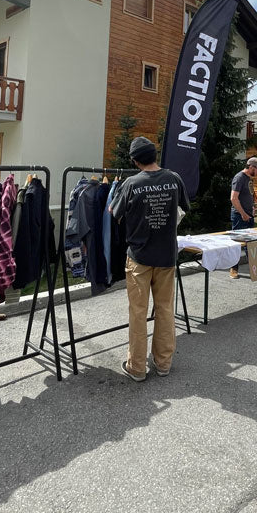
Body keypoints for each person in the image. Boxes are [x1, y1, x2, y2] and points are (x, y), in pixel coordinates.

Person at [110, 136, 189, 381]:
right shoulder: (174, 179)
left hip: (139, 258)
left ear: (134, 161)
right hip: (166, 255)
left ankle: (136, 367)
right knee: (165, 309)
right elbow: (184, 208)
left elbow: (114, 212)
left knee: (138, 311)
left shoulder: (132, 184)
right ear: (155, 156)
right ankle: (163, 363)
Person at [229, 156, 257, 278]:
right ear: (251, 167)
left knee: (251, 243)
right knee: (237, 243)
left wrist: (252, 207)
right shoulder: (239, 178)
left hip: (249, 215)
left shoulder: (249, 178)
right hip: (239, 216)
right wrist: (243, 214)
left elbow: (249, 195)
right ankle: (234, 269)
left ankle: (256, 269)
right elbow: (233, 198)